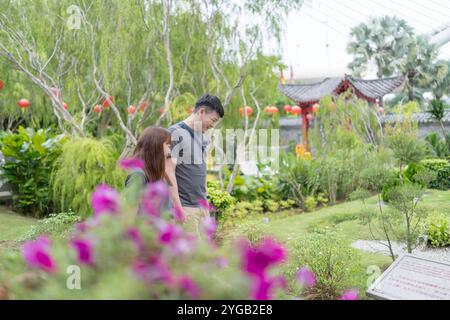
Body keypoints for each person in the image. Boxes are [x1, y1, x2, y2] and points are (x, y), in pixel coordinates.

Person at [168, 94, 224, 235]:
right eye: (213, 120)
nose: (213, 125)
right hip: (186, 208)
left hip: (201, 208)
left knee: (204, 254)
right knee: (188, 255)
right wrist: (178, 207)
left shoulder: (201, 135)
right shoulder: (175, 133)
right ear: (201, 112)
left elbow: (201, 170)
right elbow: (168, 173)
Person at [124, 126, 181, 216]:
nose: (170, 150)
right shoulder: (138, 174)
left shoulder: (159, 173)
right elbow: (129, 214)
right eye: (168, 145)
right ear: (156, 145)